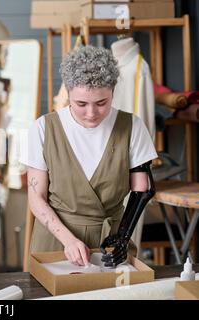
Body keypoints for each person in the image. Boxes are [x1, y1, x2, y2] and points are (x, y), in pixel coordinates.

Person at [21, 45, 157, 267]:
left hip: (112, 243)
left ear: (113, 91)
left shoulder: (132, 126)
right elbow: (37, 198)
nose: (91, 113)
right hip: (55, 242)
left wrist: (123, 237)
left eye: (101, 103)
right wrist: (69, 241)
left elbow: (142, 188)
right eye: (81, 104)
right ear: (68, 92)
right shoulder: (43, 128)